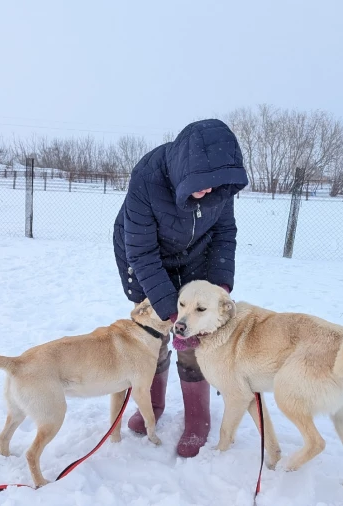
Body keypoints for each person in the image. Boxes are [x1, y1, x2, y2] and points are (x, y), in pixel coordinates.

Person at [112, 118, 248, 457]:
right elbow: (142, 252)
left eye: (215, 186)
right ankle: (153, 404)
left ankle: (198, 416)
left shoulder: (218, 186)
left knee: (195, 334)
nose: (209, 192)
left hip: (196, 258)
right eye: (201, 185)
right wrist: (171, 312)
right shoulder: (147, 179)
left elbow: (224, 234)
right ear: (186, 173)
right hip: (145, 256)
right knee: (153, 332)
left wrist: (217, 291)